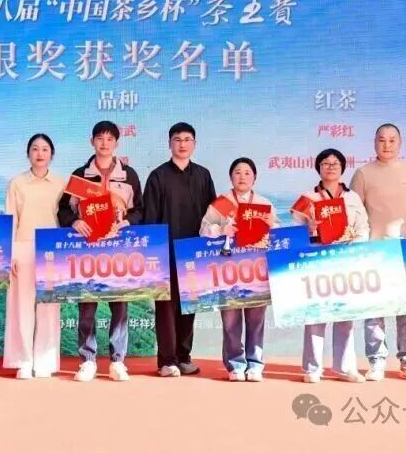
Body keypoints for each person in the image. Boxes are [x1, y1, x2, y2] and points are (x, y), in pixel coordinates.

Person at [58, 120, 144, 382]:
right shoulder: (80, 175)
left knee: (120, 305)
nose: (104, 143)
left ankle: (118, 361)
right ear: (92, 142)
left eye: (109, 139)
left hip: (119, 250)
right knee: (87, 305)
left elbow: (140, 210)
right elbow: (63, 210)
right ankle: (88, 360)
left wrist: (127, 222)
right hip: (88, 250)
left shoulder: (129, 175)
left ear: (116, 143)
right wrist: (75, 221)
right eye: (100, 138)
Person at [349, 123, 406, 381]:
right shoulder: (363, 174)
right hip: (375, 251)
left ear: (400, 143)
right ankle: (377, 361)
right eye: (382, 140)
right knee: (375, 310)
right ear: (374, 143)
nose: (387, 144)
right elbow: (354, 213)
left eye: (392, 140)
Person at [143, 122, 216, 377]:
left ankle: (184, 357)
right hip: (165, 253)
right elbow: (150, 218)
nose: (182, 144)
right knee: (165, 309)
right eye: (177, 139)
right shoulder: (158, 176)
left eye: (187, 139)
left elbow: (213, 217)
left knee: (189, 307)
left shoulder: (203, 175)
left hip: (194, 253)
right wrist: (153, 254)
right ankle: (167, 361)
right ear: (169, 144)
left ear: (194, 144)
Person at [200, 158, 280, 382]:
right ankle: (235, 364)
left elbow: (279, 233)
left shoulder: (264, 204)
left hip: (256, 270)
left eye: (247, 172)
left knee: (256, 319)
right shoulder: (220, 204)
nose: (242, 176)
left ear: (254, 178)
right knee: (230, 320)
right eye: (237, 172)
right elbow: (203, 229)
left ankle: (255, 364)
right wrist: (222, 229)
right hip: (228, 270)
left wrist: (270, 226)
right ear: (231, 177)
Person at [292, 148, 369, 384]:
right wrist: (310, 229)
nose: (331, 167)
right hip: (317, 262)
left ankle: (345, 368)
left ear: (342, 168)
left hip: (346, 261)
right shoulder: (307, 198)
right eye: (325, 163)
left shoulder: (352, 197)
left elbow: (363, 226)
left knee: (345, 314)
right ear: (318, 168)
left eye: (335, 163)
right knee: (315, 314)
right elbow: (293, 234)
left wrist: (355, 245)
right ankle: (312, 368)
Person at [2, 134, 64, 379]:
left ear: (52, 154)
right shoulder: (17, 183)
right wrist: (10, 253)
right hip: (23, 248)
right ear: (28, 153)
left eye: (45, 149)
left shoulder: (61, 183)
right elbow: (11, 219)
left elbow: (66, 219)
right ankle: (23, 361)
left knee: (49, 308)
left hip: (51, 250)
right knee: (21, 307)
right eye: (35, 149)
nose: (40, 153)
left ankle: (45, 361)